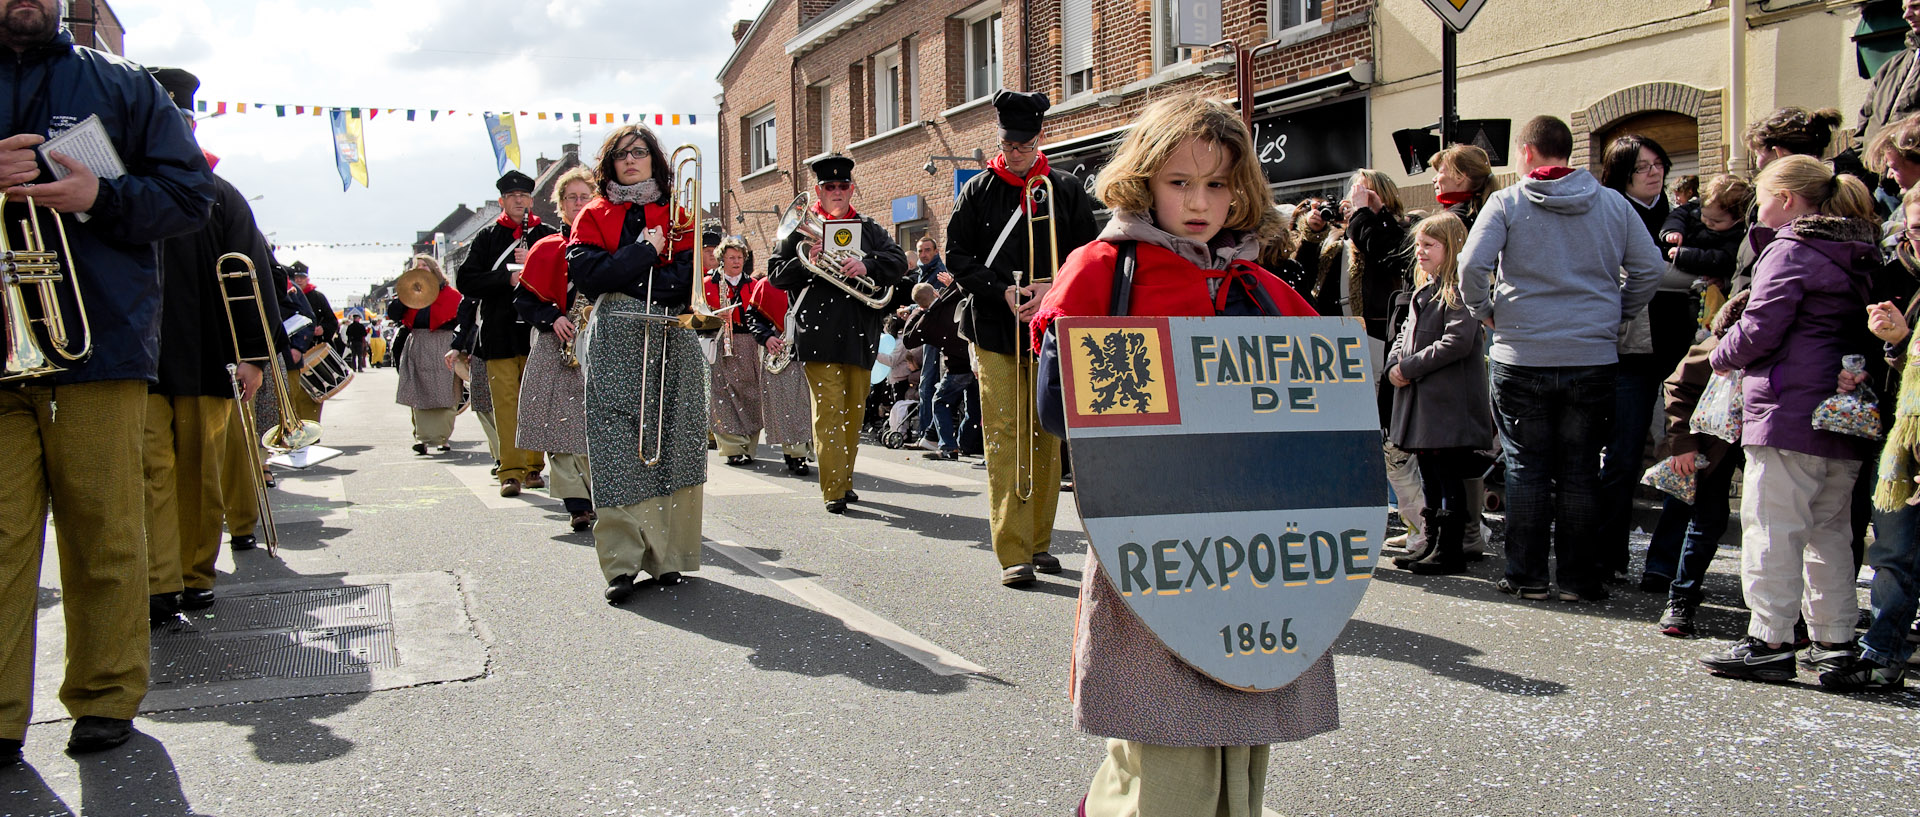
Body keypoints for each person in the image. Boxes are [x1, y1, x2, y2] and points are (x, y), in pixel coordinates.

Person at [1029, 95, 1327, 817]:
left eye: (1218, 184)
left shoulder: (1264, 292)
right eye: (1180, 182)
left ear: (1242, 189)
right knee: (1162, 747)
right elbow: (1053, 408)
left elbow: (1325, 421)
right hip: (1151, 537)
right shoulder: (1103, 269)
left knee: (1239, 737)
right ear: (1144, 181)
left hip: (1251, 545)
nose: (1200, 202)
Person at [0, 0, 216, 761]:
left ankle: (103, 696)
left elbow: (190, 197)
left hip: (100, 342)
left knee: (105, 531)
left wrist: (100, 196)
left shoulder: (121, 84)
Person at [1459, 115, 1665, 603]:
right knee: (1579, 469)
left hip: (1521, 351)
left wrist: (1486, 313)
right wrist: (1618, 313)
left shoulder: (1506, 202)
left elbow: (1471, 267)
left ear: (1527, 153)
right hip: (1591, 354)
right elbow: (1649, 268)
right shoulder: (1613, 204)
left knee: (1525, 466)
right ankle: (1578, 579)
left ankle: (1527, 576)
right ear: (1568, 152)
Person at [1699, 155, 1878, 683]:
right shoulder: (1860, 250)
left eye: (1764, 194)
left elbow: (1761, 328)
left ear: (1787, 198)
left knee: (1773, 527)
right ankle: (1836, 645)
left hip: (1786, 405)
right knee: (1830, 531)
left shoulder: (1792, 248)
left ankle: (1770, 640)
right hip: (1842, 407)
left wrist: (1717, 351)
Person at [142, 67, 279, 626]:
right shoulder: (122, 190)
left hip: (205, 359)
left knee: (198, 472)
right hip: (139, 361)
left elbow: (250, 277)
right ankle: (158, 580)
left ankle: (196, 575)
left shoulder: (220, 195)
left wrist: (252, 357)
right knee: (150, 472)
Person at [945, 89, 1098, 584]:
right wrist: (1001, 292)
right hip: (993, 328)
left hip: (1050, 329)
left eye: (1024, 145)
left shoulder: (1066, 188)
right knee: (1007, 436)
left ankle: (1039, 541)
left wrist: (1050, 286)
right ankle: (1014, 551)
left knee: (1047, 435)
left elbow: (1088, 257)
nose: (1015, 154)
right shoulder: (978, 190)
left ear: (1040, 138)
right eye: (1008, 145)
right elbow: (957, 257)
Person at [566, 123, 705, 603]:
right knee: (615, 444)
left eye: (640, 152)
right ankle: (622, 565)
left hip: (670, 333)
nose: (631, 160)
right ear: (610, 163)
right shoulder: (593, 213)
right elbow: (588, 276)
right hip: (618, 333)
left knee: (671, 439)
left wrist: (629, 269)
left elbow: (685, 279)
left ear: (655, 160)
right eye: (622, 154)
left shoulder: (681, 212)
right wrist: (646, 250)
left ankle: (667, 557)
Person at [769, 153, 910, 514]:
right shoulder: (802, 227)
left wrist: (867, 264)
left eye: (842, 185)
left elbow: (897, 262)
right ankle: (833, 488)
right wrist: (807, 264)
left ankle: (844, 480)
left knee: (853, 411)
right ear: (818, 189)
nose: (836, 191)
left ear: (851, 188)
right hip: (817, 333)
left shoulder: (869, 227)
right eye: (829, 186)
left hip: (860, 332)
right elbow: (775, 275)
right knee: (828, 411)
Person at [1828, 183, 1920, 690]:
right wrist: (1857, 371)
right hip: (1896, 438)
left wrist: (1904, 342)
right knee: (1893, 551)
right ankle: (1883, 652)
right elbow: (1864, 345)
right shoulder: (1889, 274)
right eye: (1916, 229)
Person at [1384, 213, 1493, 576]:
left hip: (1446, 404)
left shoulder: (1458, 289)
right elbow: (1403, 335)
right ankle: (1431, 542)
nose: (1421, 252)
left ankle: (1450, 548)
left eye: (1430, 245)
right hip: (1424, 403)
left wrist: (1409, 367)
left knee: (1447, 476)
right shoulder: (1424, 288)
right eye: (1418, 245)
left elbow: (1458, 341)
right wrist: (1394, 364)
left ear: (1453, 247)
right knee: (1430, 473)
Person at [1596, 134, 1684, 581]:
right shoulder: (1609, 214)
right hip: (1629, 352)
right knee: (1624, 456)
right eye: (1642, 167)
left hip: (1682, 350)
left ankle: (1665, 566)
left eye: (1658, 163)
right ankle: (1609, 556)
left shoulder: (1680, 215)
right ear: (1620, 175)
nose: (1654, 172)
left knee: (1684, 456)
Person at [1648, 292, 1749, 637]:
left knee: (1774, 525)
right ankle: (1681, 600)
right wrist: (1684, 444)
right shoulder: (1727, 338)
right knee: (1705, 521)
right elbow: (1678, 385)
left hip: (1769, 438)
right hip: (1714, 438)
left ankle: (1789, 617)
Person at [458, 169, 560, 497]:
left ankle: (533, 467)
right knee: (505, 402)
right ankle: (510, 471)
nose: (519, 201)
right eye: (512, 197)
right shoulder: (488, 238)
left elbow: (563, 276)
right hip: (500, 332)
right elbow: (467, 281)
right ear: (502, 201)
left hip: (535, 330)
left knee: (536, 401)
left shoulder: (545, 234)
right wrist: (507, 278)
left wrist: (532, 264)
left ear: (531, 200)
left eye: (524, 196)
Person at [515, 167, 598, 532]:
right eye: (571, 198)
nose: (578, 204)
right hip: (556, 345)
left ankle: (600, 496)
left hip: (598, 344)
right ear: (559, 204)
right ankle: (577, 503)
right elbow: (524, 301)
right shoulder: (545, 248)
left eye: (585, 197)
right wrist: (551, 318)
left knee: (595, 425)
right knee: (559, 427)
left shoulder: (607, 247)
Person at [737, 243, 815, 476]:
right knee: (784, 405)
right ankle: (793, 452)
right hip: (779, 350)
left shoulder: (816, 281)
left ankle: (800, 453)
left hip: (810, 351)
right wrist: (767, 337)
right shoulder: (766, 284)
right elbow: (753, 316)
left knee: (805, 405)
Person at [705, 229, 773, 466]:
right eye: (731, 257)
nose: (736, 262)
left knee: (752, 394)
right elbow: (698, 315)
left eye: (740, 258)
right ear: (722, 259)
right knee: (722, 395)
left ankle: (748, 444)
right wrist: (714, 318)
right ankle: (733, 447)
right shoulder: (706, 284)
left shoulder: (753, 285)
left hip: (748, 343)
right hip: (720, 342)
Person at [389, 256, 463, 456]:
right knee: (418, 390)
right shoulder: (411, 292)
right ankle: (421, 438)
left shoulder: (449, 294)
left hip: (443, 342)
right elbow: (395, 313)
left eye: (424, 266)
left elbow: (461, 317)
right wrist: (404, 293)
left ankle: (442, 438)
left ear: (434, 269)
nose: (420, 269)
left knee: (445, 391)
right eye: (417, 267)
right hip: (419, 342)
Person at [902, 280, 975, 461]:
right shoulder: (950, 298)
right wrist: (950, 284)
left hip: (956, 368)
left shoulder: (927, 321)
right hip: (974, 361)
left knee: (941, 402)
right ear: (935, 292)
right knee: (973, 408)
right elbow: (961, 284)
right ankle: (967, 444)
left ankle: (948, 447)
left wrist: (916, 312)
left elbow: (908, 339)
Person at [1857, 0, 1920, 152]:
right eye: (1904, 8)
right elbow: (1866, 119)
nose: (1906, 15)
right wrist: (1861, 157)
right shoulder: (1891, 66)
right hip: (1878, 169)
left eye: (1916, 6)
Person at [286, 262, 336, 423]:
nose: (299, 280)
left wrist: (323, 329)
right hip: (293, 348)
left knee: (313, 393)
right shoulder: (289, 293)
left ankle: (312, 427)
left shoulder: (317, 297)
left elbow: (332, 321)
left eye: (302, 277)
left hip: (313, 351)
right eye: (296, 277)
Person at [912, 236, 951, 442]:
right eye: (920, 251)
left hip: (936, 334)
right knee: (928, 383)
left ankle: (927, 434)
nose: (923, 254)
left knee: (928, 383)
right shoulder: (922, 272)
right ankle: (929, 433)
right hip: (932, 333)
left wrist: (910, 309)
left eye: (927, 250)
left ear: (936, 251)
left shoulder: (939, 272)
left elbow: (934, 302)